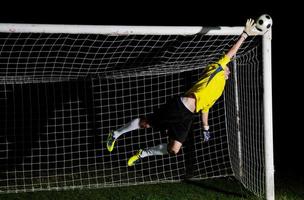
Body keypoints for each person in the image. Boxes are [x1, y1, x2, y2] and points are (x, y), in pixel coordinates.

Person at [106, 19, 258, 166]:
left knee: (174, 149)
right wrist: (244, 35)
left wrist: (206, 127)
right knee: (146, 123)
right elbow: (231, 53)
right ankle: (116, 133)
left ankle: (143, 153)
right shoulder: (216, 68)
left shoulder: (220, 88)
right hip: (180, 106)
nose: (228, 69)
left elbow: (206, 108)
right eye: (227, 66)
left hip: (189, 115)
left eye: (229, 69)